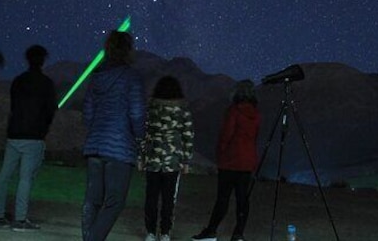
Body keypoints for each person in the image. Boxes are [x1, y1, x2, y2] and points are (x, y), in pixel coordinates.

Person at [82, 30, 146, 241]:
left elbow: (88, 112)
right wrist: (139, 137)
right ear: (128, 50)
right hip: (119, 147)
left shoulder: (96, 76)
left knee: (93, 200)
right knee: (115, 201)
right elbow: (137, 112)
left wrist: (96, 132)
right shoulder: (132, 77)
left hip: (94, 145)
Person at [0, 44, 58, 232]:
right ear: (43, 60)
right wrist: (44, 129)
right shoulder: (46, 83)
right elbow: (50, 110)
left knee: (4, 175)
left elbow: (14, 105)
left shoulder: (18, 80)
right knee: (25, 178)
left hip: (14, 133)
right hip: (34, 136)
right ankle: (20, 220)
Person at [192, 80, 261, 241]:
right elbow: (254, 137)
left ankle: (211, 231)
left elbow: (226, 136)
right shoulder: (256, 114)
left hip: (230, 161)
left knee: (223, 198)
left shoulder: (234, 111)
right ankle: (238, 234)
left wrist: (220, 155)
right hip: (247, 162)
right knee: (242, 199)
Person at [140, 76, 195, 241]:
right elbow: (188, 136)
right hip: (173, 161)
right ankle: (165, 233)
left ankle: (150, 232)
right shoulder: (182, 110)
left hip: (153, 159)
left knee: (151, 197)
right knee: (169, 199)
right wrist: (186, 161)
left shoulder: (151, 108)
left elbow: (144, 134)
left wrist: (141, 157)